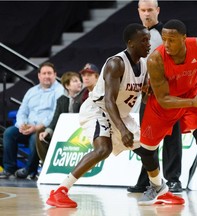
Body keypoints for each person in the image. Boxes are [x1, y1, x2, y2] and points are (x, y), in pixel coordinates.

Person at [46, 23, 152, 208]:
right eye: (144, 40)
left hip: (119, 113)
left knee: (148, 149)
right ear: (131, 43)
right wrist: (122, 129)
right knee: (103, 149)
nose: (149, 44)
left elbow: (142, 97)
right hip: (99, 109)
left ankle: (161, 190)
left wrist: (149, 94)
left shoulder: (143, 66)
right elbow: (109, 100)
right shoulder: (116, 63)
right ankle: (60, 191)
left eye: (149, 39)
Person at [137, 19, 197, 207]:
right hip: (163, 103)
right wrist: (192, 102)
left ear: (184, 38)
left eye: (172, 39)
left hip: (192, 94)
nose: (167, 44)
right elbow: (163, 99)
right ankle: (156, 186)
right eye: (164, 39)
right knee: (147, 150)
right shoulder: (156, 59)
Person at [128, 0, 183, 194]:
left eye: (150, 10)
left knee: (172, 139)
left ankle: (174, 179)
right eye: (143, 10)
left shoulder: (167, 34)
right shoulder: (135, 36)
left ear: (158, 10)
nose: (147, 14)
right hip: (146, 96)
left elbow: (179, 63)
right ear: (138, 12)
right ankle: (147, 180)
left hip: (169, 93)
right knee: (147, 140)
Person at [0, 62, 64, 179]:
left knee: (36, 137)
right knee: (9, 133)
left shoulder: (60, 91)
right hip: (28, 127)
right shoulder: (32, 91)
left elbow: (55, 114)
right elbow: (22, 111)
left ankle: (29, 170)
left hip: (46, 129)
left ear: (55, 75)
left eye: (49, 73)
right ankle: (9, 169)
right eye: (44, 73)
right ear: (39, 76)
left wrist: (38, 127)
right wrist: (21, 125)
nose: (47, 76)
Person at [36, 71, 83, 163]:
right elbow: (56, 118)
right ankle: (47, 163)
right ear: (67, 86)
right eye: (75, 81)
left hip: (79, 130)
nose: (79, 83)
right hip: (64, 130)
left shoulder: (84, 97)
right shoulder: (61, 100)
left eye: (79, 81)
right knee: (40, 134)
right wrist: (47, 131)